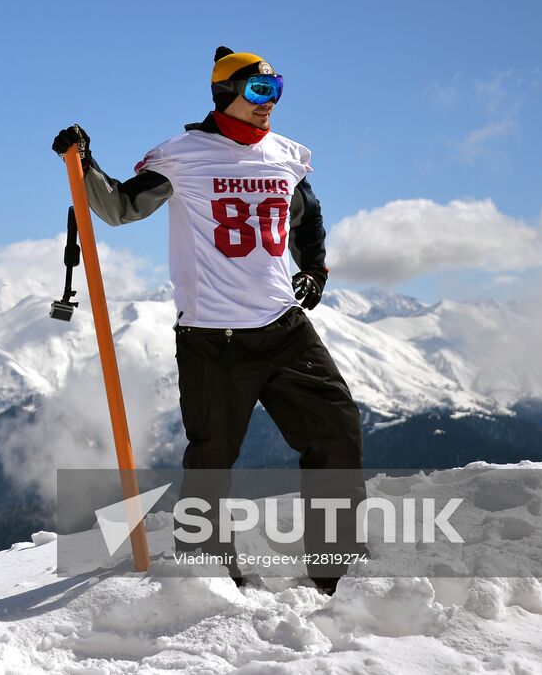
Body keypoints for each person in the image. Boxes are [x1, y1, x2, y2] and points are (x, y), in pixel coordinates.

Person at [52, 46, 365, 595]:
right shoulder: (183, 156)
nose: (270, 104)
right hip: (211, 337)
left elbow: (307, 213)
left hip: (284, 327)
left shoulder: (286, 155)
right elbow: (122, 209)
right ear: (225, 94)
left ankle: (336, 571)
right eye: (259, 91)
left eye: (277, 91)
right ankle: (208, 576)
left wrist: (314, 268)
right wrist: (84, 164)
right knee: (211, 460)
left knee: (337, 431)